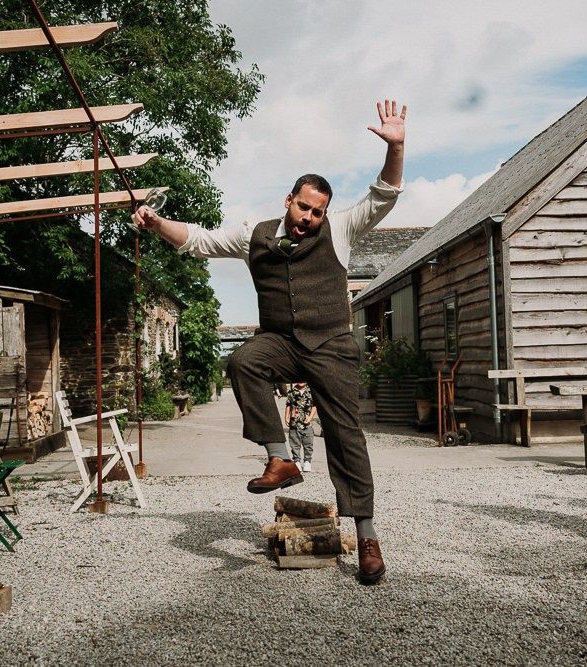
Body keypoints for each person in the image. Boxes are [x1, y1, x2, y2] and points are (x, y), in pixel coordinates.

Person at [134, 99, 406, 584]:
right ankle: (280, 458)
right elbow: (198, 240)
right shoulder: (252, 234)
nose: (310, 218)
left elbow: (383, 196)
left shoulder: (340, 228)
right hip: (281, 341)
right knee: (243, 361)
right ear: (288, 200)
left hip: (331, 345)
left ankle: (366, 535)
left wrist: (396, 147)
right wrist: (156, 225)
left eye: (318, 213)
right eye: (304, 207)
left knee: (346, 437)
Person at [285, 382, 316, 472]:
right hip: (294, 422)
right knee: (294, 443)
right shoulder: (292, 391)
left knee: (308, 444)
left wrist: (310, 418)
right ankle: (297, 461)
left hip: (307, 424)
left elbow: (314, 406)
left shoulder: (311, 391)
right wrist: (286, 417)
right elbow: (288, 405)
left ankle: (307, 461)